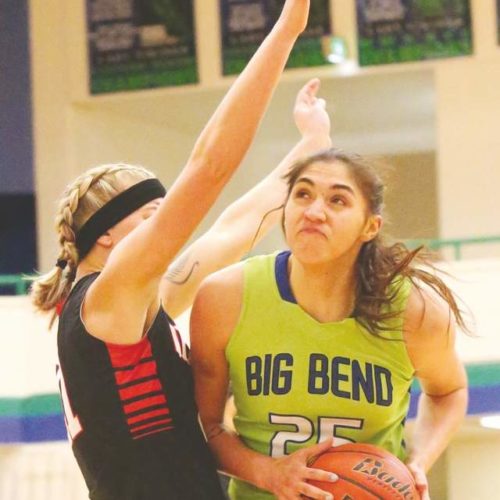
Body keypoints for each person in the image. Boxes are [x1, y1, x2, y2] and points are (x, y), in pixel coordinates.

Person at [29, 2, 333, 499]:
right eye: (153, 218)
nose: (167, 231)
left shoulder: (133, 306)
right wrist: (286, 30)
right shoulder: (107, 298)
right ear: (106, 234)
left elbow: (232, 230)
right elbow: (210, 165)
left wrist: (311, 146)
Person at [190, 149, 469, 500]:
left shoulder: (415, 311)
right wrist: (268, 474)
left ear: (371, 226)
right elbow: (206, 427)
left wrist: (417, 463)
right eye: (302, 194)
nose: (314, 211)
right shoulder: (225, 297)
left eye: (337, 200)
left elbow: (449, 391)